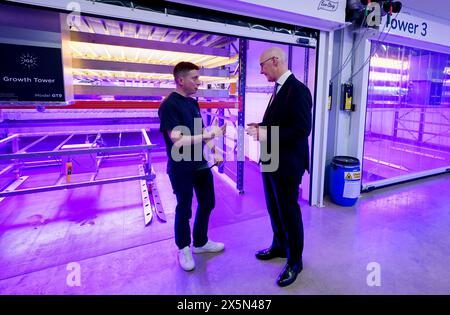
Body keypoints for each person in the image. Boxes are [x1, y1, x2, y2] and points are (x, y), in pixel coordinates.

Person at [246, 47, 312, 287]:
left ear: (275, 61)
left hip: (287, 163)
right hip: (271, 158)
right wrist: (261, 125)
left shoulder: (299, 91)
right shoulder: (278, 89)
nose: (261, 71)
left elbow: (302, 130)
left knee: (289, 212)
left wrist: (266, 133)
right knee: (274, 208)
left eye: (262, 65)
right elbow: (279, 122)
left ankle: (295, 260)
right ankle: (279, 245)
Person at [158, 61, 226, 272]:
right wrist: (209, 134)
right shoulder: (169, 105)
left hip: (200, 164)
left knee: (208, 202)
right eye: (194, 78)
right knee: (184, 208)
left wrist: (214, 149)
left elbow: (201, 129)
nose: (199, 82)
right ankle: (183, 248)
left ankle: (200, 242)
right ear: (180, 80)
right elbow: (178, 139)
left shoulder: (193, 103)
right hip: (181, 167)